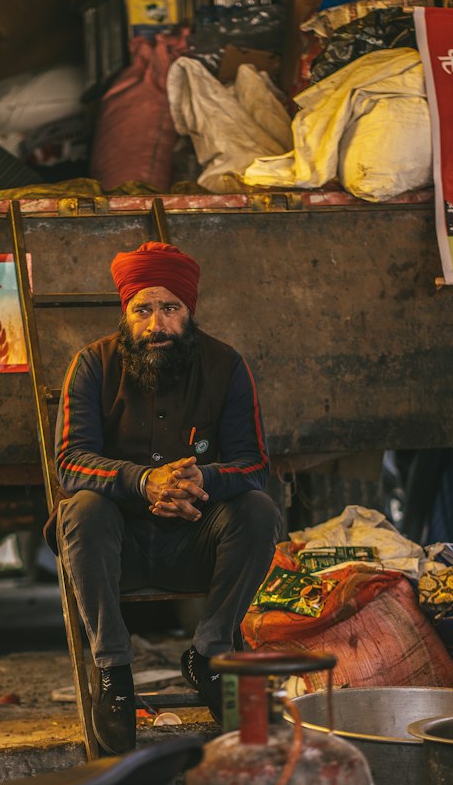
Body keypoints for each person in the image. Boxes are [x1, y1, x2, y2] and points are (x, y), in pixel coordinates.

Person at [49, 240, 280, 754]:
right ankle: (113, 670)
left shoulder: (226, 366)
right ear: (125, 314)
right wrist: (142, 482)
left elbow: (254, 463)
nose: (157, 324)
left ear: (189, 311)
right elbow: (69, 462)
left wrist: (199, 483)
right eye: (143, 310)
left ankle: (209, 654)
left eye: (170, 308)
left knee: (258, 509)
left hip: (193, 548)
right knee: (81, 508)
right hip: (118, 551)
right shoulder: (91, 366)